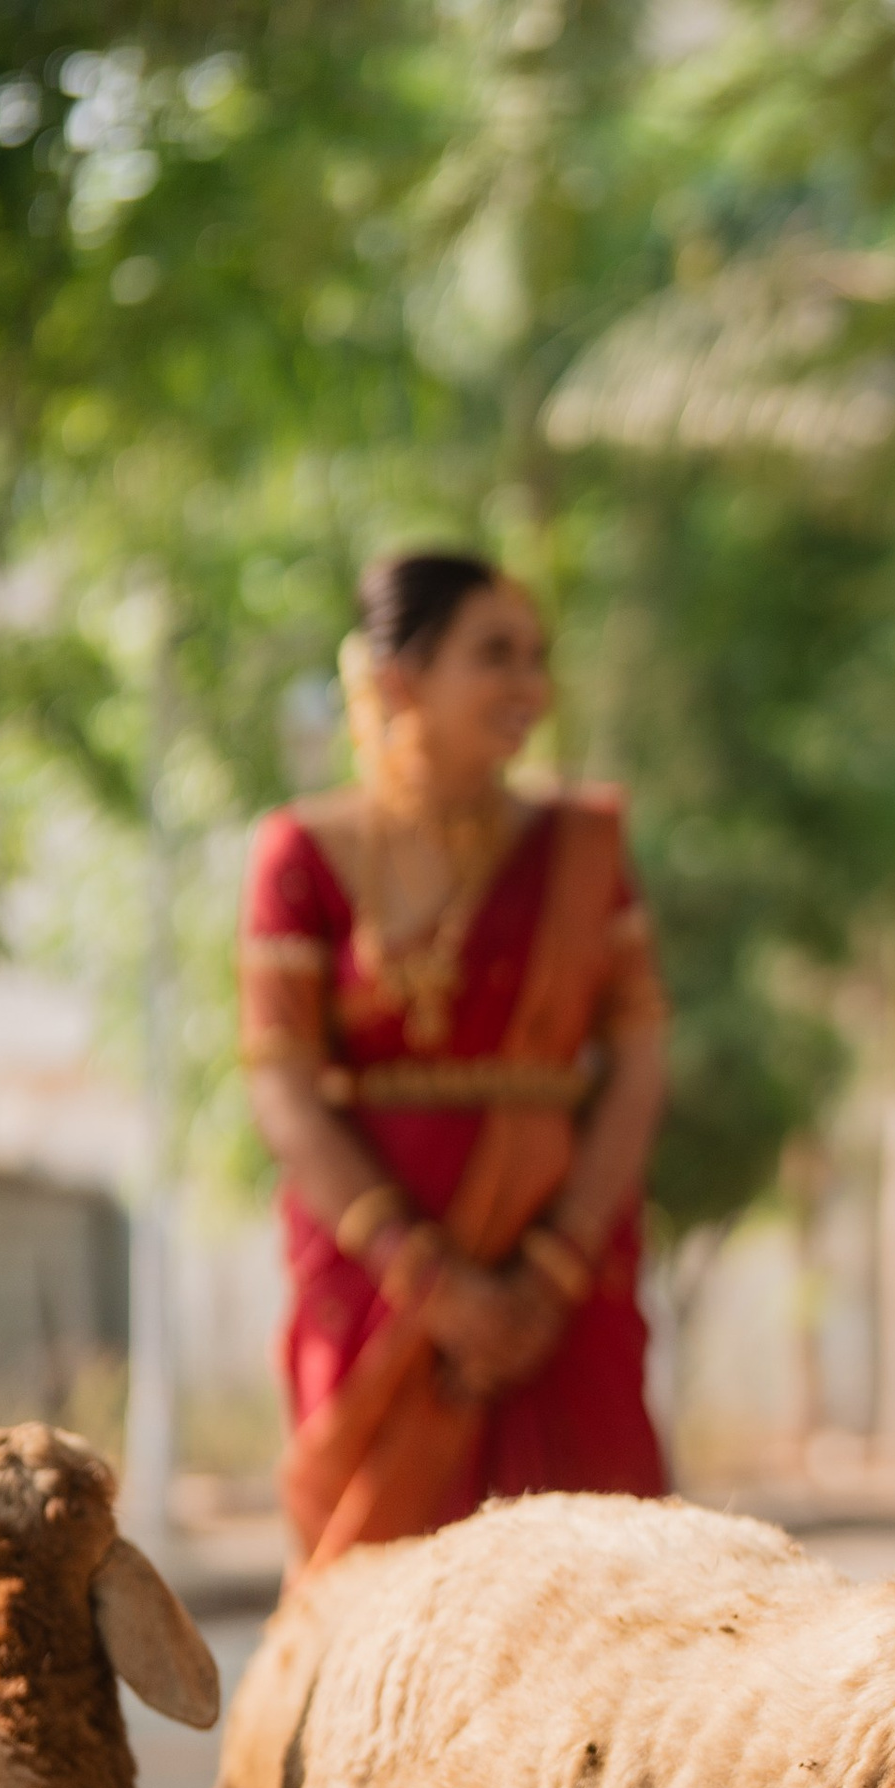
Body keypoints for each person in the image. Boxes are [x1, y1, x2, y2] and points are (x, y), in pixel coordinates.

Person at [239, 549, 668, 1570]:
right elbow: (284, 1089)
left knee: (604, 1598)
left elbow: (641, 1053)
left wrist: (553, 1267)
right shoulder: (302, 853)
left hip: (563, 1283)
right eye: (496, 655)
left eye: (537, 656)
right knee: (377, 1615)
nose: (530, 685)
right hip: (378, 1291)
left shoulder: (581, 847)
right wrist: (433, 1285)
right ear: (399, 681)